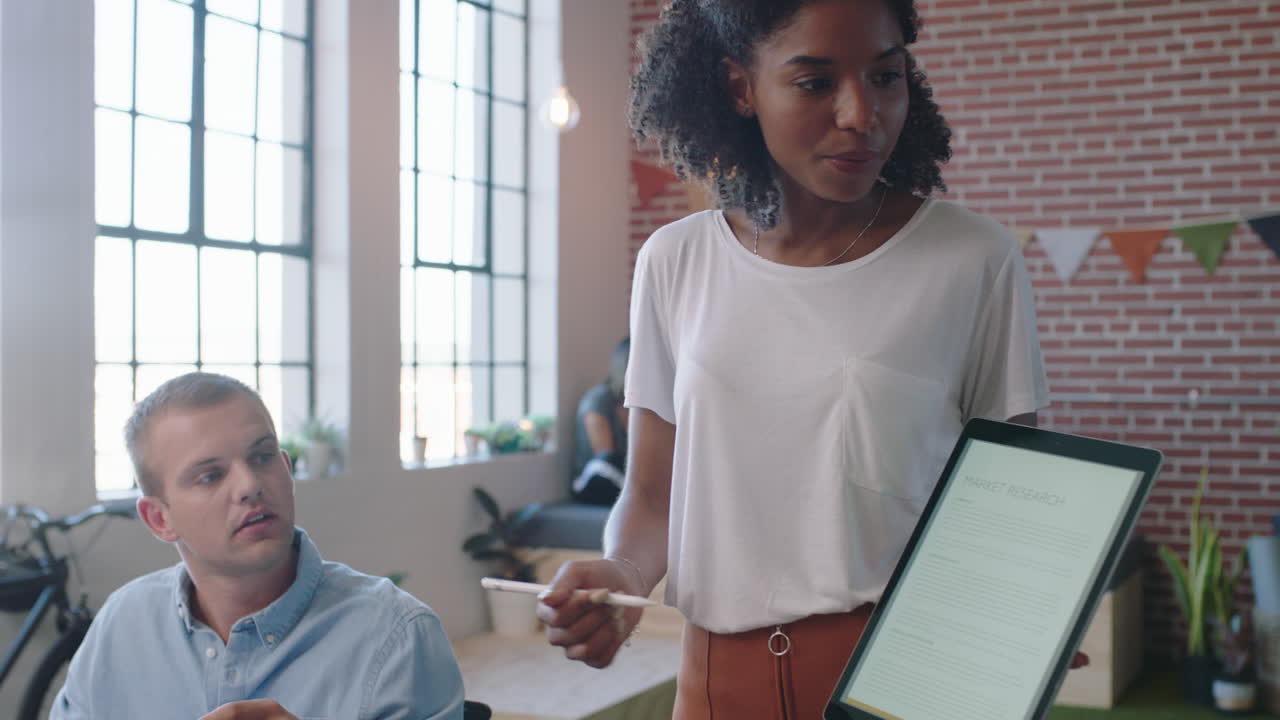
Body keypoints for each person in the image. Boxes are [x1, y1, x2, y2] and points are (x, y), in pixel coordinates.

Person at [536, 1, 1085, 718]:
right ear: (740, 88)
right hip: (713, 687)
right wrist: (622, 576)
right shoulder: (676, 260)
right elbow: (651, 496)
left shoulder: (973, 259)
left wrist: (1024, 604)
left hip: (902, 683)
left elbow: (1008, 498)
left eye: (886, 76)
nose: (862, 113)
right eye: (814, 82)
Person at [50, 372, 465, 720]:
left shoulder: (397, 636)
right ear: (160, 519)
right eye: (210, 476)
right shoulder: (121, 626)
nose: (250, 485)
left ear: (285, 468)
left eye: (262, 457)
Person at [571, 337, 630, 506]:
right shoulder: (598, 400)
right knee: (607, 461)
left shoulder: (644, 407)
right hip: (596, 479)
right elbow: (604, 453)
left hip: (624, 476)